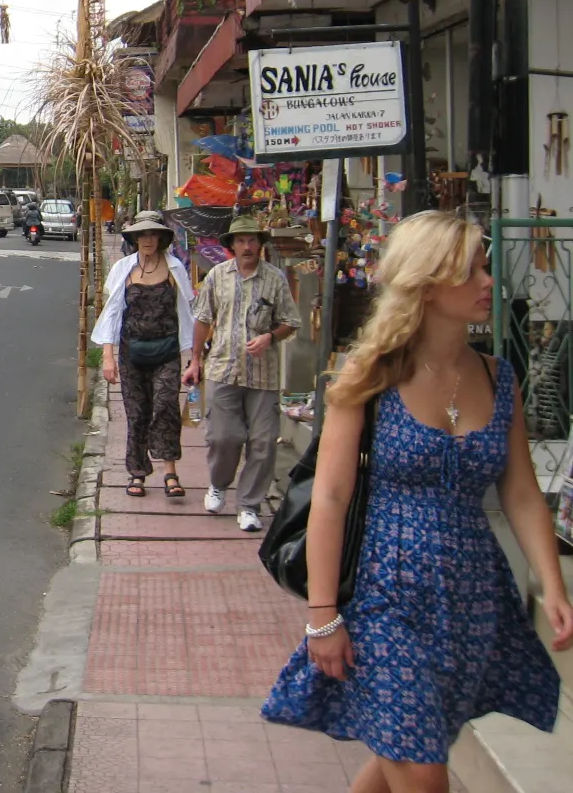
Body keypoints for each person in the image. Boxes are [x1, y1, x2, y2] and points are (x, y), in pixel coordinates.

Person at [262, 211, 571, 792]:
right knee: (424, 773)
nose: (489, 282)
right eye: (472, 270)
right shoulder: (370, 373)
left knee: (410, 751)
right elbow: (330, 496)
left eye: (485, 267)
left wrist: (551, 585)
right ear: (427, 285)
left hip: (470, 599)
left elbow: (522, 493)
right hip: (385, 595)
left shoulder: (498, 377)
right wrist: (322, 615)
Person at [184, 214, 301, 532]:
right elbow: (203, 318)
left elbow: (291, 321)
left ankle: (249, 505)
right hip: (223, 369)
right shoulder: (217, 276)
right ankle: (218, 484)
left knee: (263, 443)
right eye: (241, 241)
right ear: (232, 246)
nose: (247, 246)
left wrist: (270, 337)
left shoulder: (275, 279)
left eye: (252, 240)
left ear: (260, 245)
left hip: (263, 375)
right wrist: (194, 361)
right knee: (223, 437)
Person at [91, 210, 195, 498]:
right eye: (142, 235)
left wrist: (193, 357)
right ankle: (137, 472)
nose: (148, 240)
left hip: (167, 352)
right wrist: (108, 357)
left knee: (166, 406)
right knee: (137, 414)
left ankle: (170, 472)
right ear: (135, 238)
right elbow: (112, 314)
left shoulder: (175, 268)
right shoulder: (123, 269)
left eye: (153, 234)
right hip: (131, 353)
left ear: (161, 238)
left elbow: (186, 313)